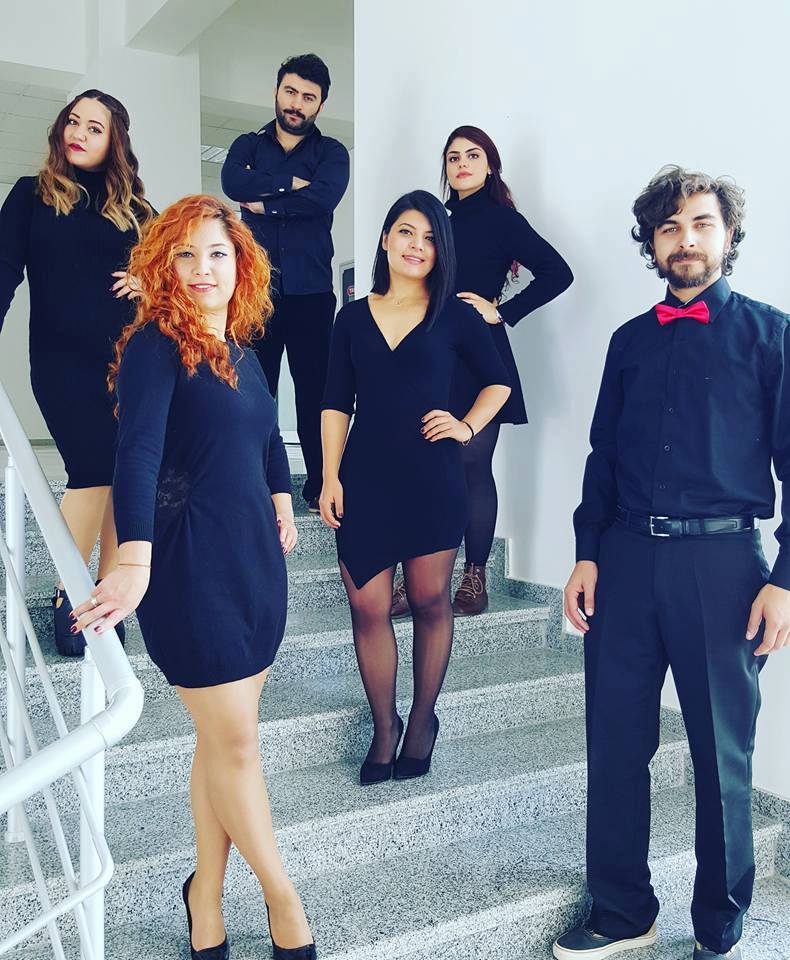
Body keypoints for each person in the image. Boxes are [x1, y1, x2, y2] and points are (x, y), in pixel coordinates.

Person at [554, 166, 790, 960]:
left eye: (700, 223)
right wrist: (587, 554)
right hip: (624, 559)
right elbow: (603, 457)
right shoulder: (628, 341)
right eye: (669, 228)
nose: (685, 239)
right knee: (616, 743)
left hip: (723, 567)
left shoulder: (772, 336)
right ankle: (622, 911)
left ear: (727, 235)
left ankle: (719, 929)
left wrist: (785, 580)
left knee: (722, 755)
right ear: (652, 244)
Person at [72, 195, 316, 960]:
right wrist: (133, 561)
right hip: (188, 567)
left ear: (241, 264)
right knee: (236, 746)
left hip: (253, 566)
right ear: (163, 266)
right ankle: (284, 902)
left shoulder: (242, 351)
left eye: (217, 252)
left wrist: (283, 501)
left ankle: (203, 896)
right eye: (185, 254)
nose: (202, 268)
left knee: (222, 744)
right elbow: (137, 455)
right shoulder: (155, 344)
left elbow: (267, 441)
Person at [319, 190, 510, 785]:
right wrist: (328, 475)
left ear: (441, 251)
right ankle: (385, 726)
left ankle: (423, 720)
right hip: (365, 477)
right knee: (367, 607)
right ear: (385, 239)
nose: (417, 246)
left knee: (430, 602)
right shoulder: (352, 318)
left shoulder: (455, 315)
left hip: (432, 477)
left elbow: (499, 382)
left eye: (430, 238)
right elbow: (334, 402)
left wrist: (466, 426)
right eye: (406, 232)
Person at [391, 126, 573, 619]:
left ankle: (474, 576)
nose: (462, 164)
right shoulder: (434, 220)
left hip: (478, 355)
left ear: (490, 165)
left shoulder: (502, 220)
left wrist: (502, 311)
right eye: (453, 157)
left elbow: (558, 272)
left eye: (473, 156)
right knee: (420, 464)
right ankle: (414, 579)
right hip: (427, 350)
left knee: (472, 464)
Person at [0, 89, 154, 655]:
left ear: (115, 142)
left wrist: (151, 283)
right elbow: (2, 272)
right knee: (92, 470)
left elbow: (181, 274)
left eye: (94, 127)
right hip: (61, 362)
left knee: (124, 476)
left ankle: (108, 599)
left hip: (131, 364)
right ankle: (69, 595)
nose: (79, 133)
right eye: (73, 121)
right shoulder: (31, 195)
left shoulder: (139, 212)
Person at [221, 53, 350, 513]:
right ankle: (255, 485)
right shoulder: (247, 146)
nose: (297, 103)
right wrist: (292, 185)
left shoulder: (332, 153)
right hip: (254, 293)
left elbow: (324, 198)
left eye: (308, 97)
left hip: (311, 293)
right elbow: (232, 182)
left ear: (321, 105)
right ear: (277, 92)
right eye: (291, 92)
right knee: (254, 391)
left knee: (316, 392)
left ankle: (319, 485)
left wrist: (266, 200)